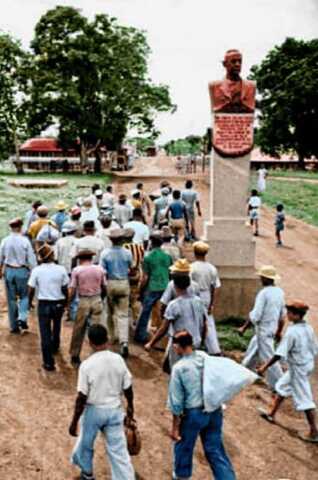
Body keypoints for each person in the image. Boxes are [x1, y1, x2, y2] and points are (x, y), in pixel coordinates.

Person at [69, 324, 135, 480]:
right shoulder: (118, 359)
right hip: (114, 410)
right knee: (118, 451)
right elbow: (128, 387)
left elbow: (81, 398)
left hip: (94, 411)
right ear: (107, 339)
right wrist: (131, 407)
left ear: (90, 342)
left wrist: (74, 421)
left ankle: (87, 474)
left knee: (86, 444)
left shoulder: (87, 365)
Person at [168, 330, 236, 480]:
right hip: (213, 409)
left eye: (175, 345)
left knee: (184, 447)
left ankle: (182, 477)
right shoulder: (205, 357)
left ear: (179, 346)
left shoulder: (179, 368)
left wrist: (175, 428)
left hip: (193, 414)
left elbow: (176, 402)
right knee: (215, 449)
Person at [257, 300, 318, 443]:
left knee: (305, 400)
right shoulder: (308, 328)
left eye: (290, 312)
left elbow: (279, 353)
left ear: (297, 315)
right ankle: (271, 413)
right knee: (283, 386)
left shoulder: (292, 332)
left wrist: (264, 367)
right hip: (306, 364)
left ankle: (314, 432)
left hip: (299, 368)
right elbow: (314, 349)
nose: (287, 314)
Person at [145, 272, 209, 369]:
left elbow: (163, 328)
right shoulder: (199, 301)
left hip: (181, 345)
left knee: (178, 371)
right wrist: (202, 340)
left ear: (174, 286)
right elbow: (205, 324)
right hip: (196, 342)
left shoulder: (174, 305)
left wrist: (151, 343)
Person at [238, 265, 285, 390]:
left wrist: (244, 327)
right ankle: (246, 371)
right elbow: (282, 315)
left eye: (261, 277)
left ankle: (280, 385)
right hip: (272, 328)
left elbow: (256, 315)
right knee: (253, 350)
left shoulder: (263, 293)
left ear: (265, 278)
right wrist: (279, 331)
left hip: (263, 329)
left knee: (269, 357)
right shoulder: (279, 292)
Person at [28, 244, 69, 371]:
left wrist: (29, 302)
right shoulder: (61, 269)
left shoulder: (37, 270)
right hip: (58, 302)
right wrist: (66, 302)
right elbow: (65, 287)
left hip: (44, 303)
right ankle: (55, 346)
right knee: (56, 326)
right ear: (52, 255)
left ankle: (48, 362)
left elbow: (31, 288)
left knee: (45, 333)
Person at [69, 250, 107, 367]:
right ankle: (96, 354)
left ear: (80, 259)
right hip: (97, 299)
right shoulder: (100, 269)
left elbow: (73, 289)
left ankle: (75, 355)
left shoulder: (77, 270)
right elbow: (104, 286)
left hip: (84, 301)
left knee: (79, 328)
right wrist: (101, 297)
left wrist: (68, 303)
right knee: (97, 328)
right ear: (91, 258)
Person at [134, 232, 172, 345]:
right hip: (165, 286)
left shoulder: (148, 257)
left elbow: (145, 277)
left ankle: (140, 335)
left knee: (145, 312)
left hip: (152, 287)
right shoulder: (167, 256)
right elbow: (170, 272)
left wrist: (140, 290)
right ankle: (164, 336)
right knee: (164, 312)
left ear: (151, 243)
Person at [100, 229, 133, 358]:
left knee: (109, 312)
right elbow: (132, 267)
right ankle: (124, 342)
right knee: (123, 314)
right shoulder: (127, 253)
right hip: (123, 283)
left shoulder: (105, 253)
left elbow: (102, 271)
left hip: (110, 283)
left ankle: (112, 336)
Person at [0, 218, 36, 333]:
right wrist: (33, 271)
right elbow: (31, 259)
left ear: (10, 228)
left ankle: (14, 326)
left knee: (11, 299)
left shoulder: (5, 241)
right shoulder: (25, 241)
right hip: (22, 271)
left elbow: (0, 258)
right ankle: (22, 317)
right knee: (24, 296)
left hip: (9, 271)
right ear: (20, 227)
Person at [191, 241, 221, 354]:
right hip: (207, 295)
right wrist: (212, 303)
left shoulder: (192, 267)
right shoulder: (211, 268)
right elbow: (215, 287)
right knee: (208, 321)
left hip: (195, 294)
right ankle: (214, 348)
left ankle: (197, 344)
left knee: (195, 319)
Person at [123, 228, 145, 327]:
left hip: (125, 275)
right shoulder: (139, 247)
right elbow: (142, 261)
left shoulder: (123, 248)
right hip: (136, 274)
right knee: (135, 299)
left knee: (125, 298)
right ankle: (136, 319)